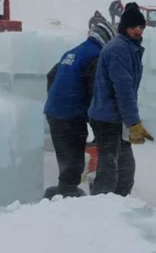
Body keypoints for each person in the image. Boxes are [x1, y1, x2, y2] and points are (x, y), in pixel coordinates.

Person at [43, 21, 117, 199]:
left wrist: (57, 100)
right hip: (71, 115)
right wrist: (98, 123)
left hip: (55, 112)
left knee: (65, 155)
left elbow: (51, 75)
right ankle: (67, 196)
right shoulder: (96, 56)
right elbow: (95, 93)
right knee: (74, 157)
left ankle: (64, 189)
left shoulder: (73, 52)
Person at [87, 2, 153, 196]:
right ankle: (100, 207)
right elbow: (123, 89)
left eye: (141, 27)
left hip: (116, 116)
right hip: (106, 117)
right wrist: (133, 123)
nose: (138, 31)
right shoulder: (118, 49)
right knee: (109, 169)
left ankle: (119, 207)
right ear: (124, 27)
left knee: (125, 170)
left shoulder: (129, 48)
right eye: (134, 27)